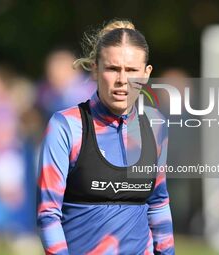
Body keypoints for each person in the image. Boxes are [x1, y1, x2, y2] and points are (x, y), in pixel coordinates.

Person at [37, 19, 175, 255]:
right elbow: (48, 214)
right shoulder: (67, 126)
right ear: (95, 68)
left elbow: (158, 203)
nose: (122, 80)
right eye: (112, 68)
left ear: (146, 73)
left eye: (131, 70)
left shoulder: (155, 125)